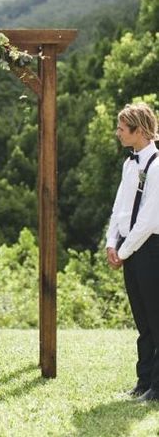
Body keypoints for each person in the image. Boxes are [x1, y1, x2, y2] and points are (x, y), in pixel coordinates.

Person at [106, 102, 159, 402]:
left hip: (150, 249)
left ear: (139, 131)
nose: (117, 133)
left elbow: (149, 219)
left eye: (122, 129)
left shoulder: (157, 165)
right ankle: (144, 381)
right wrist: (111, 243)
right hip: (129, 249)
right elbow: (120, 209)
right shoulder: (129, 164)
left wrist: (123, 251)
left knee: (156, 318)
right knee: (142, 320)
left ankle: (158, 386)